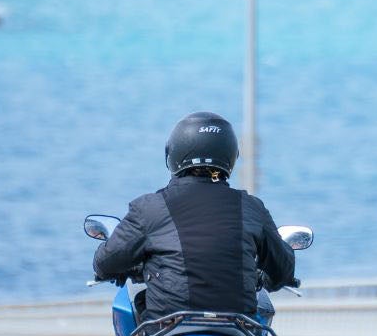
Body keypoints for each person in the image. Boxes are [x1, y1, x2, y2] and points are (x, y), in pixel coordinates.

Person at [92, 112, 296, 321]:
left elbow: (106, 263)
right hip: (237, 334)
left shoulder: (149, 208)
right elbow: (283, 268)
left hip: (167, 333)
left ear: (173, 153)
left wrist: (125, 267)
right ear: (231, 155)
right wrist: (267, 275)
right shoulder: (252, 208)